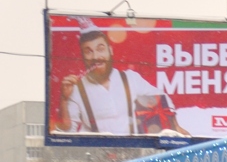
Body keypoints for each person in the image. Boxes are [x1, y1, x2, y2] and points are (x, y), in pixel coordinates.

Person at [58, 19, 189, 136]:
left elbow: (162, 98)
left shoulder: (130, 78)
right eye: (88, 51)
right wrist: (64, 100)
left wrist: (175, 126)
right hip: (97, 154)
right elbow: (67, 131)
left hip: (133, 152)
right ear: (82, 56)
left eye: (100, 49)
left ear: (110, 50)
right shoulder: (76, 89)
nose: (96, 56)